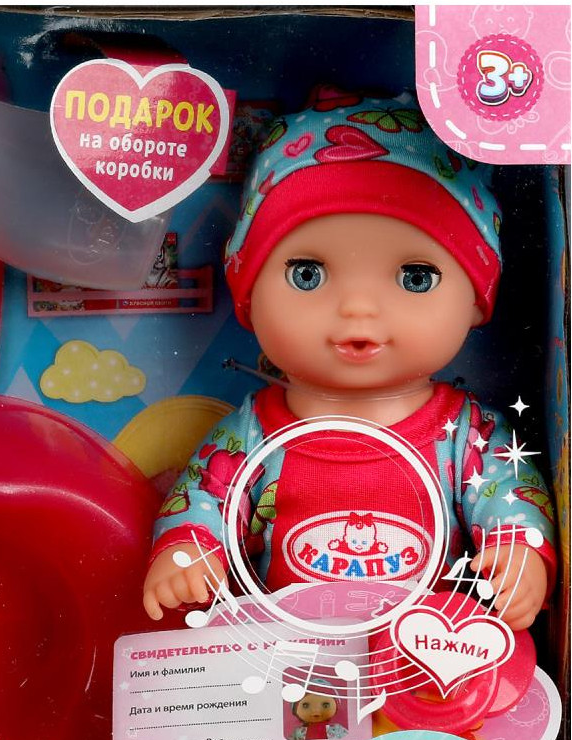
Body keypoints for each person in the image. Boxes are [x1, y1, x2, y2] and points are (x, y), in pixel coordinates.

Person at [143, 89, 555, 634]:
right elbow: (205, 494)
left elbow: (509, 490)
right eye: (307, 274)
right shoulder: (255, 433)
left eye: (415, 278)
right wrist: (189, 552)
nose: (358, 307)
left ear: (477, 301)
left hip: (429, 654)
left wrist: (518, 553)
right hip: (292, 654)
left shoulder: (465, 435)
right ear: (250, 295)